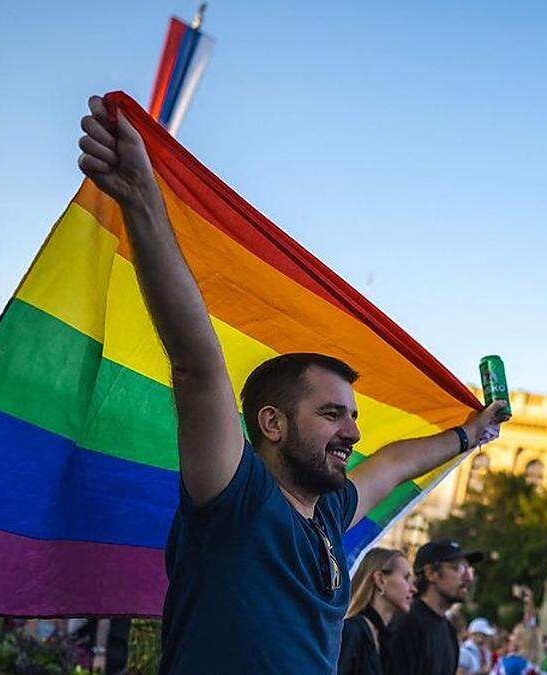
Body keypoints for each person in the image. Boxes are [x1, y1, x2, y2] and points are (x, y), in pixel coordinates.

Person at [77, 97, 509, 674]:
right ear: (272, 423)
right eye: (332, 414)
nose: (353, 431)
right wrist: (142, 201)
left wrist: (468, 435)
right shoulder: (236, 498)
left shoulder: (328, 516)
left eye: (351, 416)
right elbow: (197, 363)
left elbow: (393, 465)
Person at [383, 539, 482, 675]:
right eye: (458, 568)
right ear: (430, 573)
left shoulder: (448, 631)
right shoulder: (406, 624)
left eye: (469, 569)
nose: (468, 578)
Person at [338, 547, 415, 675]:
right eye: (406, 578)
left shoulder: (384, 638)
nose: (413, 589)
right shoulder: (352, 631)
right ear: (380, 580)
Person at [492, 586, 543, 674]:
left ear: (520, 641)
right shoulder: (529, 663)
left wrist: (529, 603)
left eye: (513, 634)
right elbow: (530, 626)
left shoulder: (511, 663)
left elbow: (529, 629)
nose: (509, 637)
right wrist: (528, 603)